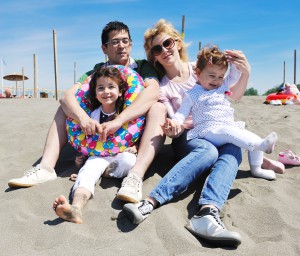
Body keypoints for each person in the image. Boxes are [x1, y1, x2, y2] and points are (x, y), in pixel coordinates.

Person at [123, 19, 285, 247]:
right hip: (189, 137)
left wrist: (246, 73)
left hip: (218, 130)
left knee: (232, 148)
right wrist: (174, 126)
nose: (164, 50)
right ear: (154, 57)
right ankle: (150, 201)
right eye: (156, 49)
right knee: (209, 151)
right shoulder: (163, 86)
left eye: (167, 43)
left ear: (177, 43)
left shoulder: (203, 66)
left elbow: (233, 95)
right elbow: (177, 120)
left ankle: (208, 213)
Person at [8, 21, 167, 204]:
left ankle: (135, 177)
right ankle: (45, 168)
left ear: (131, 44)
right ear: (104, 48)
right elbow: (67, 96)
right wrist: (83, 118)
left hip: (132, 130)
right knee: (64, 108)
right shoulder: (96, 70)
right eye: (115, 42)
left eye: (125, 41)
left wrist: (119, 121)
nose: (121, 46)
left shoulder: (142, 66)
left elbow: (153, 92)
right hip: (98, 133)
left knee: (159, 108)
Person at [168, 45, 278, 180]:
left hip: (227, 126)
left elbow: (234, 75)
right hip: (208, 131)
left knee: (248, 135)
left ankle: (257, 169)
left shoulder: (222, 86)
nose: (217, 80)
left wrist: (232, 62)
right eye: (212, 75)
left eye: (221, 76)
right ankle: (260, 145)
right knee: (230, 132)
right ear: (197, 72)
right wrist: (175, 121)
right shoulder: (191, 94)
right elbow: (181, 113)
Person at [53, 66, 138, 223]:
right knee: (87, 171)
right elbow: (88, 142)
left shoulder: (126, 111)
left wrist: (136, 146)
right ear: (95, 93)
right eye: (101, 88)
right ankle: (76, 208)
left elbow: (138, 130)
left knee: (129, 160)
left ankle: (105, 173)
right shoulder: (93, 115)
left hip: (120, 155)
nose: (106, 91)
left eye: (111, 87)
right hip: (98, 156)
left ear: (120, 91)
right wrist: (83, 159)